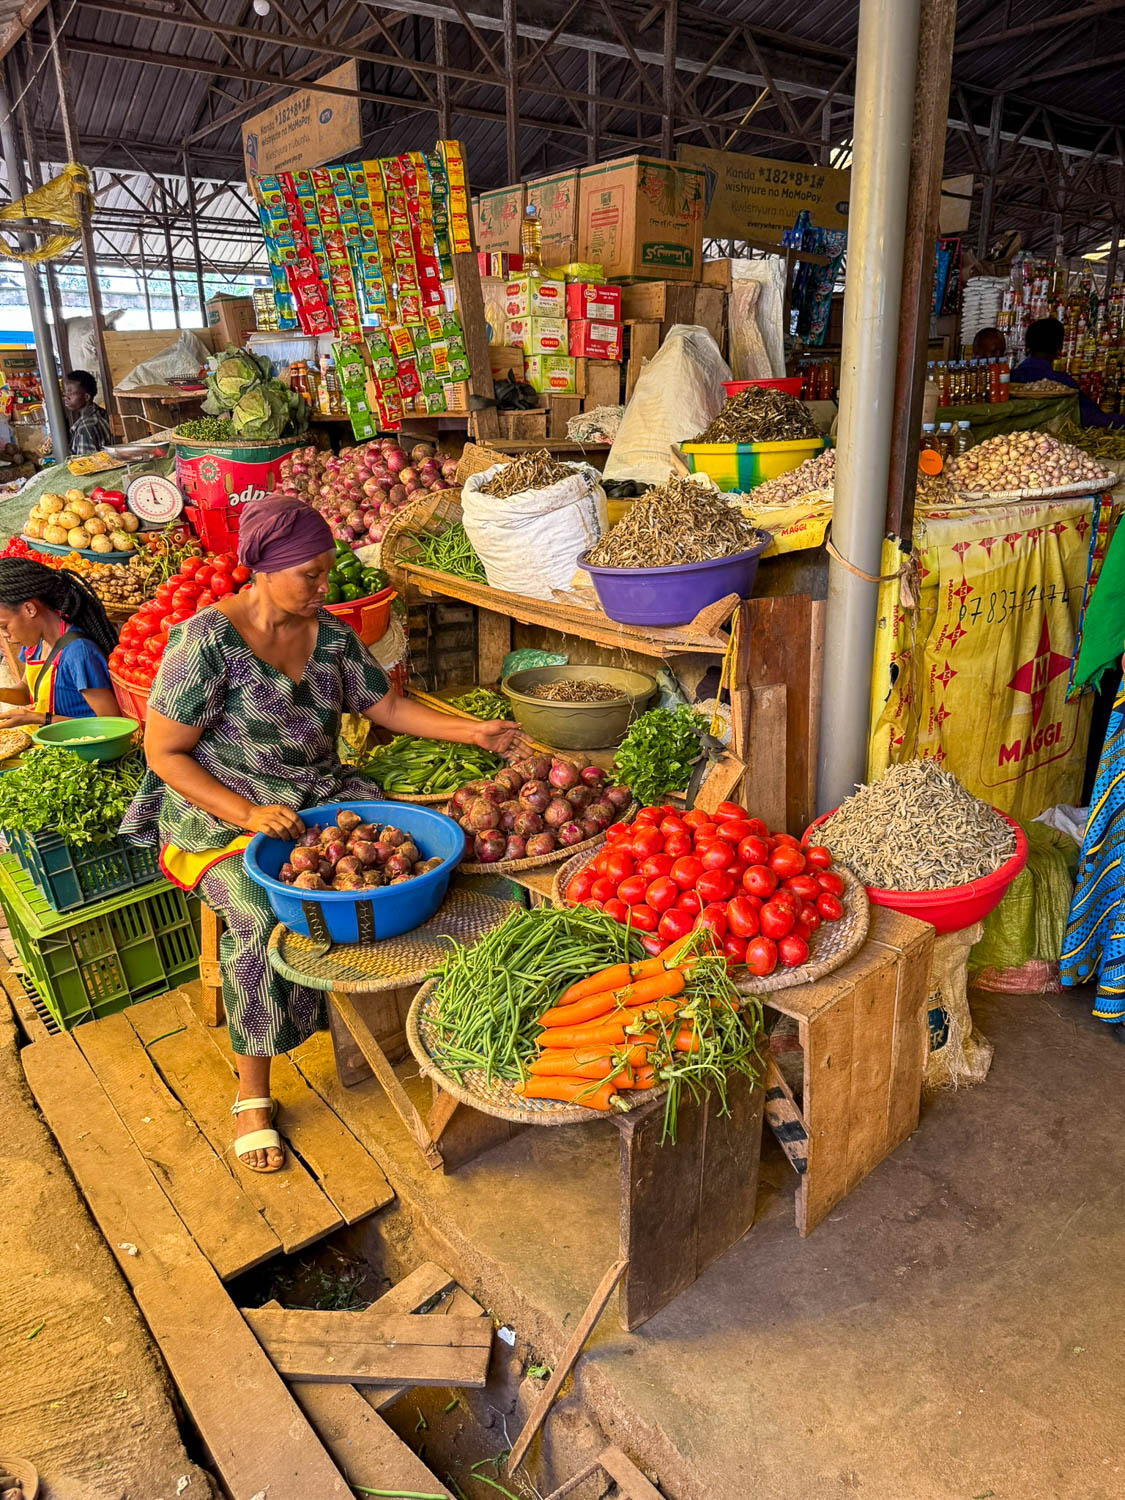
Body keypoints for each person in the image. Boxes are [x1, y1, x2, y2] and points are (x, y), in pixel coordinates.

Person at [121, 494, 524, 1174]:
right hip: (222, 814)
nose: (323, 585)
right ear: (263, 569)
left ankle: (411, 1030)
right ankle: (253, 1094)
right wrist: (247, 815)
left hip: (318, 800)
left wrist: (474, 731)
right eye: (309, 573)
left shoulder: (332, 636)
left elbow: (387, 705)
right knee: (257, 917)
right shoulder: (205, 643)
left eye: (326, 569)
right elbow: (164, 755)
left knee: (418, 863)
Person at [0, 557, 119, 726]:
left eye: (4, 626)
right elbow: (27, 691)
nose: (4, 635)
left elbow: (113, 724)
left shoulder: (79, 653)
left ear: (29, 609)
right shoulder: (36, 644)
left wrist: (39, 718)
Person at [1010, 317, 1125, 429]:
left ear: (1026, 347)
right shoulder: (1062, 383)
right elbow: (1091, 418)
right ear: (1059, 350)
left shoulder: (1010, 378)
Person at [63, 369, 113, 455]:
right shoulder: (100, 413)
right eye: (65, 393)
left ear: (86, 397)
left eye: (70, 393)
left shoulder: (85, 429)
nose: (66, 398)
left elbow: (87, 465)